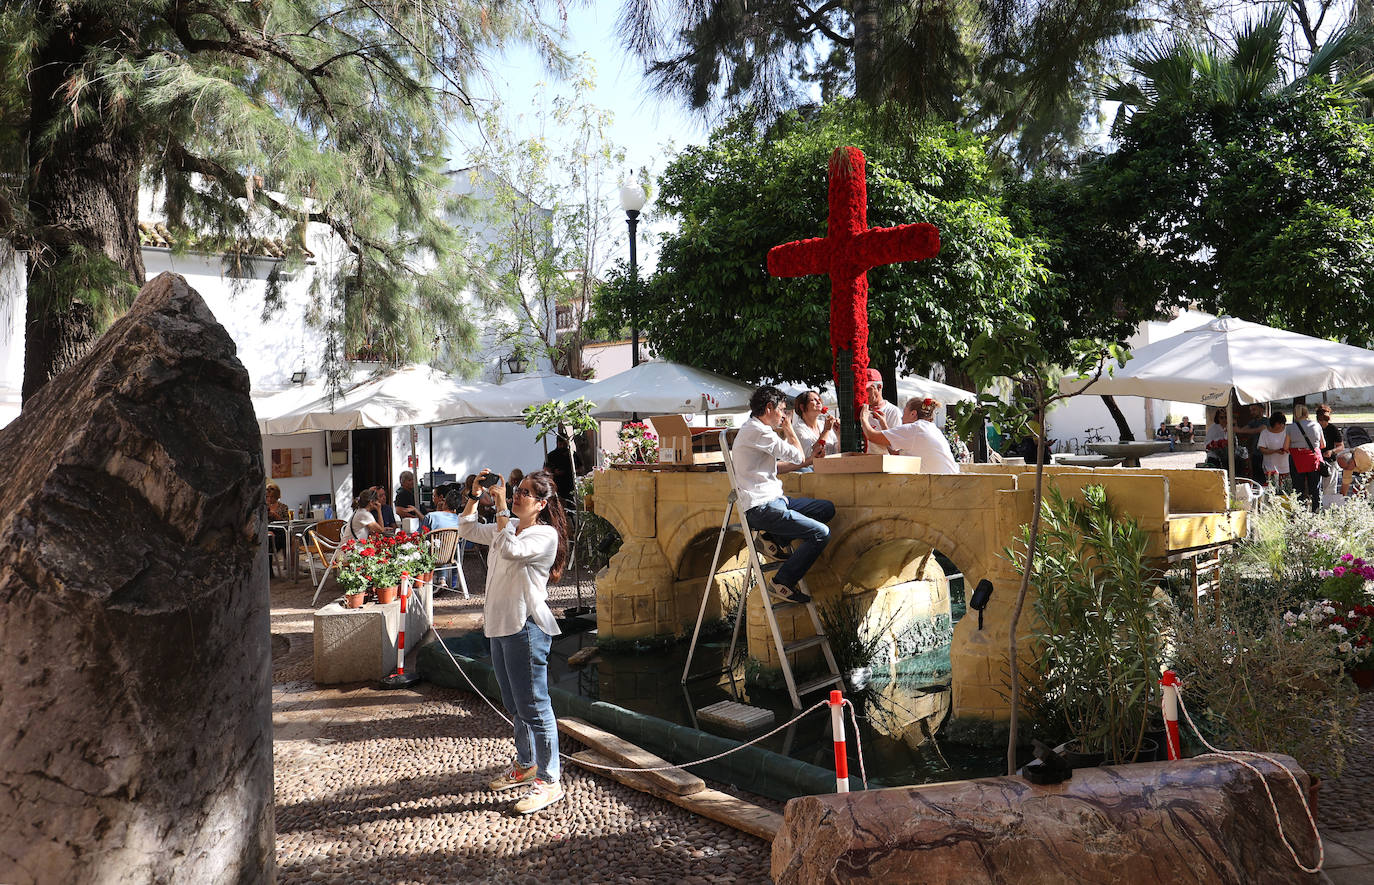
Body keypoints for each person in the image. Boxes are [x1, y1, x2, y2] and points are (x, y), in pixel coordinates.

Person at [457, 468, 569, 815]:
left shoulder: (543, 535)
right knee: (514, 703)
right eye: (515, 490)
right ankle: (527, 763)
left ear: (541, 503)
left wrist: (502, 506)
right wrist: (475, 497)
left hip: (526, 629)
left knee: (535, 706)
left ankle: (550, 781)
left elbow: (510, 551)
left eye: (524, 493)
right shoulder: (506, 528)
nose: (516, 495)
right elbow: (466, 528)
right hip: (500, 626)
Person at [733, 385, 835, 604]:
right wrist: (789, 431)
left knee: (827, 508)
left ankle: (772, 538)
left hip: (776, 501)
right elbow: (797, 455)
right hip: (761, 508)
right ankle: (782, 582)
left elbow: (775, 467)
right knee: (821, 534)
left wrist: (809, 461)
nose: (783, 415)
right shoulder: (757, 431)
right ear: (769, 408)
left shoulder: (759, 430)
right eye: (781, 410)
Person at [859, 397, 959, 474]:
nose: (901, 418)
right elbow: (895, 453)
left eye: (904, 413)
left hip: (942, 485)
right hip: (949, 482)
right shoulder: (930, 428)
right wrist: (884, 424)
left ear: (913, 414)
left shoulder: (915, 429)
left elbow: (872, 436)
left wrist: (863, 417)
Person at [424, 488, 464, 596]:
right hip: (451, 555)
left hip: (433, 555)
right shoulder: (459, 519)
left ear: (445, 502)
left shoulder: (431, 516)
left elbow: (421, 535)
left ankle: (439, 581)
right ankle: (453, 583)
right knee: (452, 545)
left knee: (434, 544)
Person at [1286, 404, 1323, 512]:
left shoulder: (1290, 428)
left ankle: (1299, 513)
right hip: (1313, 459)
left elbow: (1285, 446)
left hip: (1297, 460)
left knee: (1298, 488)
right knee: (1315, 488)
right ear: (1307, 413)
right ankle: (1317, 512)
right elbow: (1323, 444)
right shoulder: (1316, 425)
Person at [791, 390, 839, 470]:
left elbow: (837, 450)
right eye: (813, 400)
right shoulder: (798, 429)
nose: (818, 402)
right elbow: (811, 454)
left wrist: (839, 434)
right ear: (802, 407)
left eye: (819, 399)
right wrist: (826, 430)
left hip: (833, 467)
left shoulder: (823, 424)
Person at [862, 369, 903, 454]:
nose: (864, 394)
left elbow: (896, 447)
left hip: (883, 464)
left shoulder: (893, 411)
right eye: (862, 389)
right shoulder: (861, 409)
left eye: (868, 389)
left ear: (879, 387)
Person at [1257, 411, 1291, 493]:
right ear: (1274, 423)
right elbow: (1262, 449)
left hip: (1286, 467)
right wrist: (1275, 451)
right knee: (1272, 491)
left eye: (1282, 424)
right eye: (1279, 424)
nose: (1281, 426)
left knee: (1286, 491)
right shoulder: (1265, 433)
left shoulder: (1288, 431)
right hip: (1270, 467)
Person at [1317, 404, 1345, 501]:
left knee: (1329, 489)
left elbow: (1341, 446)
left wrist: (1331, 451)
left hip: (1330, 462)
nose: (1322, 423)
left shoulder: (1333, 429)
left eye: (1324, 421)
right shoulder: (1315, 428)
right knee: (1315, 488)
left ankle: (1328, 508)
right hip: (1317, 461)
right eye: (1320, 421)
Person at [543, 437, 576, 505]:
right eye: (560, 444)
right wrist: (554, 473)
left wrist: (572, 471)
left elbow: (580, 468)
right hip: (557, 486)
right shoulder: (551, 456)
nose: (563, 446)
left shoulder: (572, 454)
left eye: (564, 444)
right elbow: (545, 471)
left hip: (570, 485)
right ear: (557, 443)